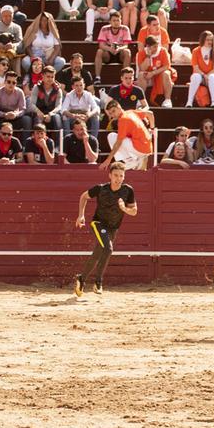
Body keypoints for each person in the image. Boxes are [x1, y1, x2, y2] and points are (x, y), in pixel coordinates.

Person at [74, 162, 137, 297]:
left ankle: (81, 278)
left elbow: (134, 211)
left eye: (121, 176)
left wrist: (124, 209)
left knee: (98, 253)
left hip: (113, 227)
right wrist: (81, 215)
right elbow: (84, 196)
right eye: (115, 175)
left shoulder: (128, 190)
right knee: (108, 249)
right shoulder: (101, 188)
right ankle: (98, 282)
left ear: (124, 177)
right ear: (109, 175)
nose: (118, 178)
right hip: (98, 223)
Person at [101, 100, 153, 170]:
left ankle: (129, 161)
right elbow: (150, 114)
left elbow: (118, 143)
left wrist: (108, 160)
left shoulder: (123, 120)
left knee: (112, 136)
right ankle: (135, 161)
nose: (113, 115)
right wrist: (152, 128)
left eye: (114, 111)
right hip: (147, 148)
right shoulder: (130, 112)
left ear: (119, 107)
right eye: (110, 113)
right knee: (118, 137)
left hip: (141, 148)